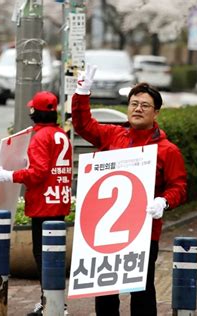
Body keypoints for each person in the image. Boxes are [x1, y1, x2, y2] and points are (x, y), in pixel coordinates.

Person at [71, 65, 187, 316]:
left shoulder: (167, 150)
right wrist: (82, 93)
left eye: (145, 105)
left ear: (156, 112)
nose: (137, 109)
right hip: (105, 233)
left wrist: (163, 202)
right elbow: (83, 125)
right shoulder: (113, 135)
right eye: (134, 103)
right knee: (104, 291)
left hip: (143, 232)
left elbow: (179, 187)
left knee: (142, 290)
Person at [0, 91, 72, 316]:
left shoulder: (40, 137)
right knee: (53, 255)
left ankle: (54, 306)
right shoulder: (60, 134)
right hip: (59, 200)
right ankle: (52, 302)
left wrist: (10, 175)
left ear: (35, 112)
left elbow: (37, 173)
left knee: (43, 256)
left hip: (44, 204)